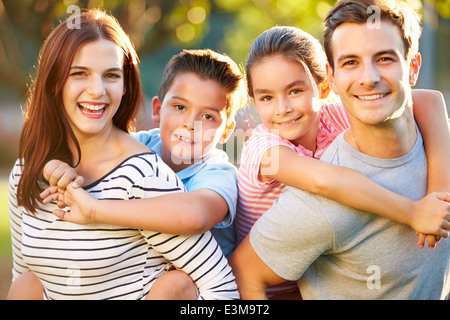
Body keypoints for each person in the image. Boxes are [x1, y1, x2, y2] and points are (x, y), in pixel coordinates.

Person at [8, 9, 238, 300]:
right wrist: (51, 166)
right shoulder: (25, 172)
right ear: (54, 81)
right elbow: (23, 274)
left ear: (125, 85)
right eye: (80, 73)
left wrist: (94, 209)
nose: (97, 90)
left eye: (111, 76)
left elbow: (220, 286)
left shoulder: (143, 176)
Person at [230, 0, 450, 300]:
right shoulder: (266, 149)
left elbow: (429, 100)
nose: (282, 108)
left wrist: (438, 197)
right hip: (271, 283)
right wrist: (413, 212)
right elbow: (325, 181)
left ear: (324, 88)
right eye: (266, 98)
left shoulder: (338, 111)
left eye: (295, 91)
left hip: (303, 271)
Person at [40, 48, 246, 260]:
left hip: (198, 282)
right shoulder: (140, 144)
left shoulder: (219, 174)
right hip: (142, 269)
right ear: (157, 109)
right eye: (180, 107)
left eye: (207, 116)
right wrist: (58, 167)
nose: (190, 123)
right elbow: (89, 154)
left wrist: (95, 210)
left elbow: (196, 216)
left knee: (173, 284)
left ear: (227, 131)